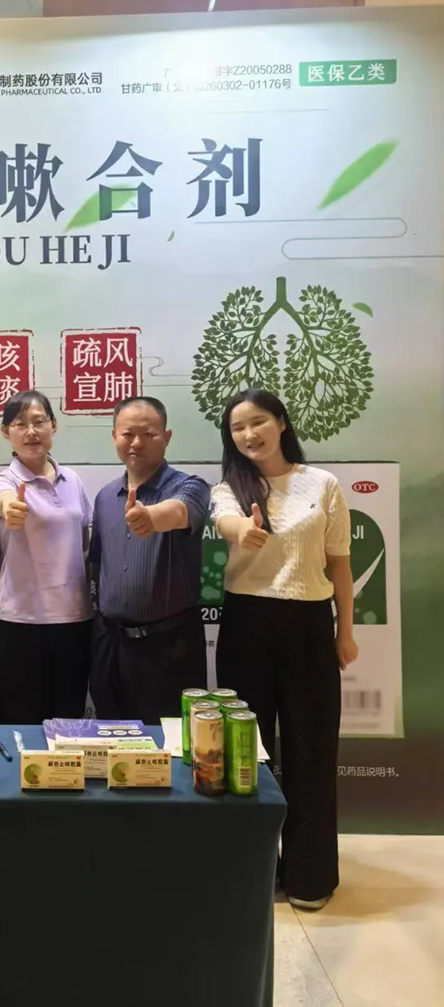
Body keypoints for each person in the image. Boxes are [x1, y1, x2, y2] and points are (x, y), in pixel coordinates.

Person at [211, 389, 358, 912]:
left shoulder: (323, 484)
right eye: (237, 428)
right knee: (245, 753)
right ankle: (251, 872)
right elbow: (226, 521)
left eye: (258, 422)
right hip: (246, 625)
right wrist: (244, 530)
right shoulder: (228, 487)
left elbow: (339, 564)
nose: (249, 434)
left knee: (311, 751)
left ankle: (309, 876)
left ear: (281, 423)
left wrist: (345, 632)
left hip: (309, 626)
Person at [89, 396, 210, 723]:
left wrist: (152, 517)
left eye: (148, 434)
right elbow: (97, 565)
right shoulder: (105, 497)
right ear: (114, 436)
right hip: (111, 646)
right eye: (128, 434)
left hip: (169, 648)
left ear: (166, 437)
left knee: (168, 745)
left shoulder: (191, 486)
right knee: (110, 738)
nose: (136, 443)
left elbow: (180, 511)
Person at [0, 390, 93, 722]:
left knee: (69, 719)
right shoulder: (2, 480)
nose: (31, 432)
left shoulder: (73, 480)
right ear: (6, 432)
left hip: (74, 618)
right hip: (20, 620)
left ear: (53, 426)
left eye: (39, 422)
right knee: (22, 719)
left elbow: (85, 542)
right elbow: (3, 500)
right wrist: (11, 509)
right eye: (20, 424)